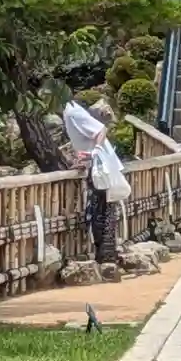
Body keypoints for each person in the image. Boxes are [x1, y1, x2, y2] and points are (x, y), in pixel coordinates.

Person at [60, 94, 131, 265]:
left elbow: (100, 130)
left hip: (101, 168)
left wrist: (95, 152)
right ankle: (106, 254)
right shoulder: (70, 111)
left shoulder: (72, 112)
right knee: (102, 209)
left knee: (103, 209)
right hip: (97, 166)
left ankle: (106, 254)